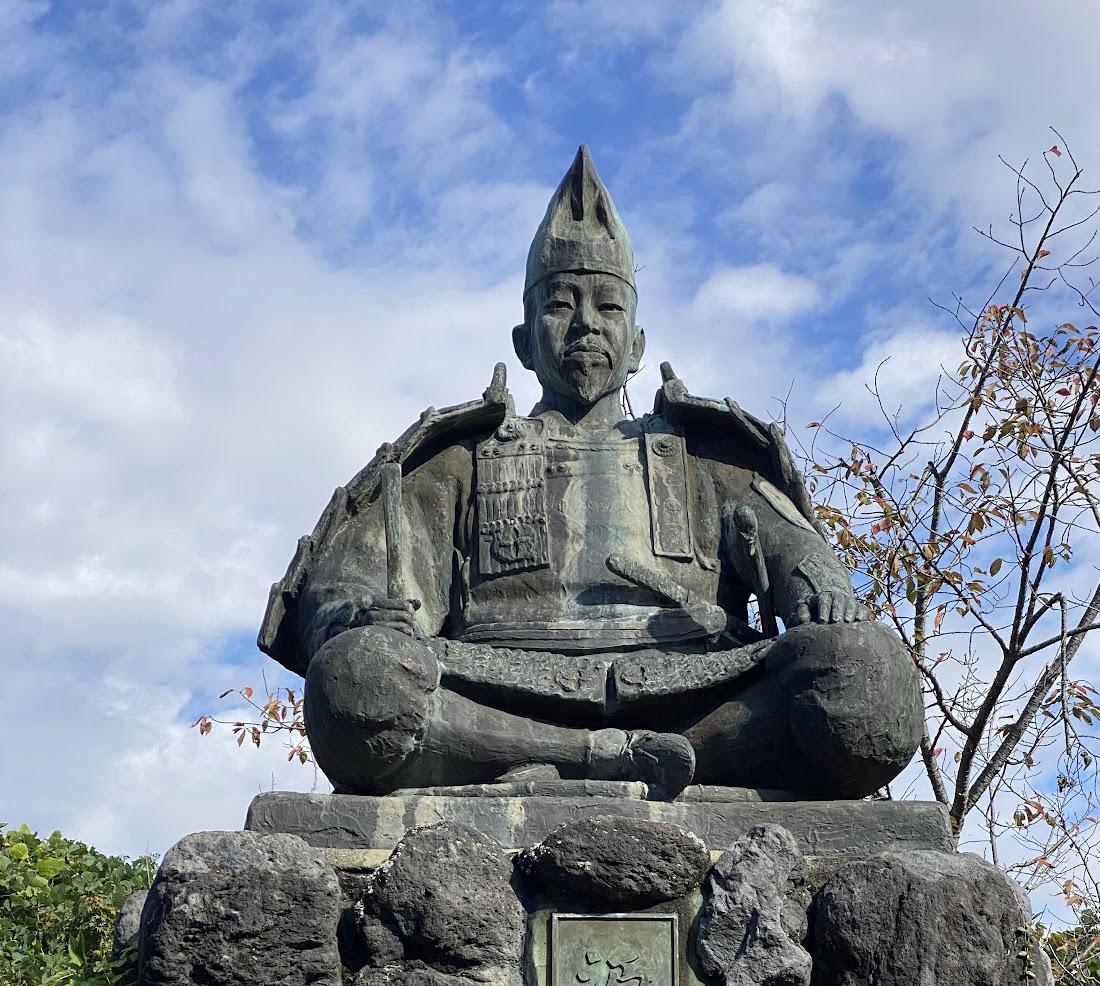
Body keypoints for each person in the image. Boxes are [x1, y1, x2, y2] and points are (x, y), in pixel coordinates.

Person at [259, 147, 923, 798]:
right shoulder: (459, 460)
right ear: (523, 342)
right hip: (494, 693)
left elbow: (801, 554)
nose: (585, 325)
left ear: (637, 345)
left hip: (697, 692)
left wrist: (818, 590)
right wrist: (357, 615)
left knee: (869, 675)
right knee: (357, 678)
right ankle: (602, 759)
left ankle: (616, 757)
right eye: (559, 305)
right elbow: (347, 584)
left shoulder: (709, 456)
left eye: (608, 307)